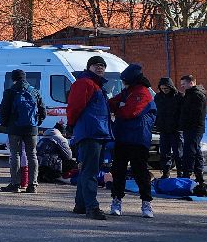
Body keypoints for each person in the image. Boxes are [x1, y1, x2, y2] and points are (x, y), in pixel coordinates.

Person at [107, 64, 157, 218]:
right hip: (122, 137)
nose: (122, 83)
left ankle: (146, 202)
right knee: (118, 171)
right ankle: (116, 200)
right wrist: (120, 106)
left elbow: (131, 112)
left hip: (137, 138)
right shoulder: (127, 92)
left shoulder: (142, 93)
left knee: (140, 171)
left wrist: (120, 108)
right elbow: (111, 103)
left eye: (124, 80)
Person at [66, 54, 112, 219]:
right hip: (90, 133)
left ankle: (80, 204)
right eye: (96, 65)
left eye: (102, 66)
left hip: (97, 133)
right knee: (90, 172)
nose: (100, 67)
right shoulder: (85, 83)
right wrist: (71, 125)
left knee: (88, 170)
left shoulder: (97, 85)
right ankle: (92, 207)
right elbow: (74, 106)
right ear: (88, 67)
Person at [0, 68, 46, 194]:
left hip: (14, 128)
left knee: (15, 155)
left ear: (13, 79)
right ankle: (33, 185)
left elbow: (3, 111)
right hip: (31, 128)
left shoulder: (10, 92)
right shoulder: (35, 91)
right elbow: (43, 112)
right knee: (32, 155)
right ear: (25, 78)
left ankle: (15, 183)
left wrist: (6, 124)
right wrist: (36, 123)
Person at [178, 73, 207, 192]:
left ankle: (188, 174)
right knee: (195, 150)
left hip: (194, 128)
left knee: (190, 150)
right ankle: (198, 175)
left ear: (191, 83)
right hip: (189, 127)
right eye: (181, 84)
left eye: (184, 84)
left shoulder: (197, 95)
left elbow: (195, 114)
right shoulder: (189, 94)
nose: (182, 87)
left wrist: (186, 122)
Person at [154, 77, 182, 180]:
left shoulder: (178, 97)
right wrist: (157, 124)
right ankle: (166, 173)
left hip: (176, 130)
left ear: (171, 87)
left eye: (166, 88)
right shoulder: (158, 97)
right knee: (164, 153)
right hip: (163, 129)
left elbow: (182, 113)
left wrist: (180, 126)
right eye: (162, 88)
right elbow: (157, 112)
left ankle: (181, 173)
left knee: (178, 153)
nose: (164, 90)